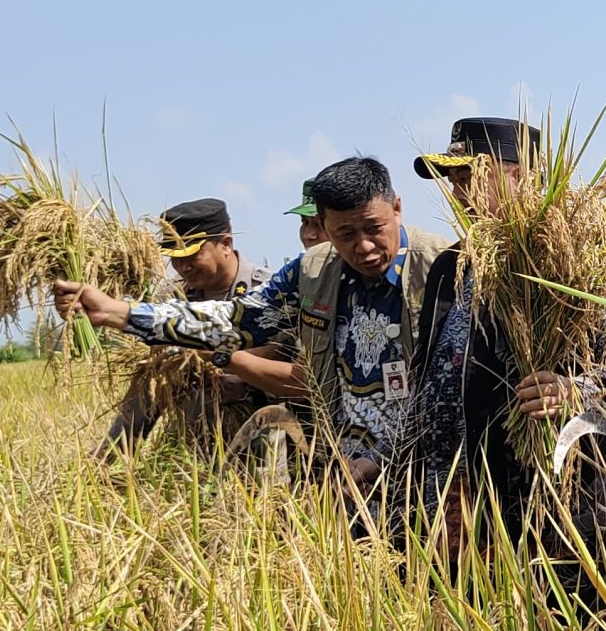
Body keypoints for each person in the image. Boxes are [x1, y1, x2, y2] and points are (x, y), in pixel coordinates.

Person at [57, 158, 450, 495]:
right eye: (345, 234)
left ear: (397, 208)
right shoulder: (312, 273)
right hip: (343, 473)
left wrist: (381, 459)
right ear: (325, 229)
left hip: (429, 468)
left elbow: (452, 393)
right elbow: (235, 320)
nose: (363, 246)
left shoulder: (445, 267)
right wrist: (121, 314)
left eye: (373, 228)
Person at [405, 117, 606, 611]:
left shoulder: (584, 256)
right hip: (472, 501)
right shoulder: (450, 267)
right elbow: (432, 383)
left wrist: (573, 390)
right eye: (453, 181)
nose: (459, 195)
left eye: (471, 177)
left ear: (522, 176)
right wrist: (437, 482)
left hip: (570, 499)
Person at [100, 198, 276, 449]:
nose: (183, 267)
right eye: (175, 258)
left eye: (193, 255)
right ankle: (110, 457)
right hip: (195, 433)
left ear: (225, 244)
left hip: (259, 430)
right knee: (150, 374)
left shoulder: (268, 291)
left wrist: (244, 381)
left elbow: (291, 360)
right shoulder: (174, 298)